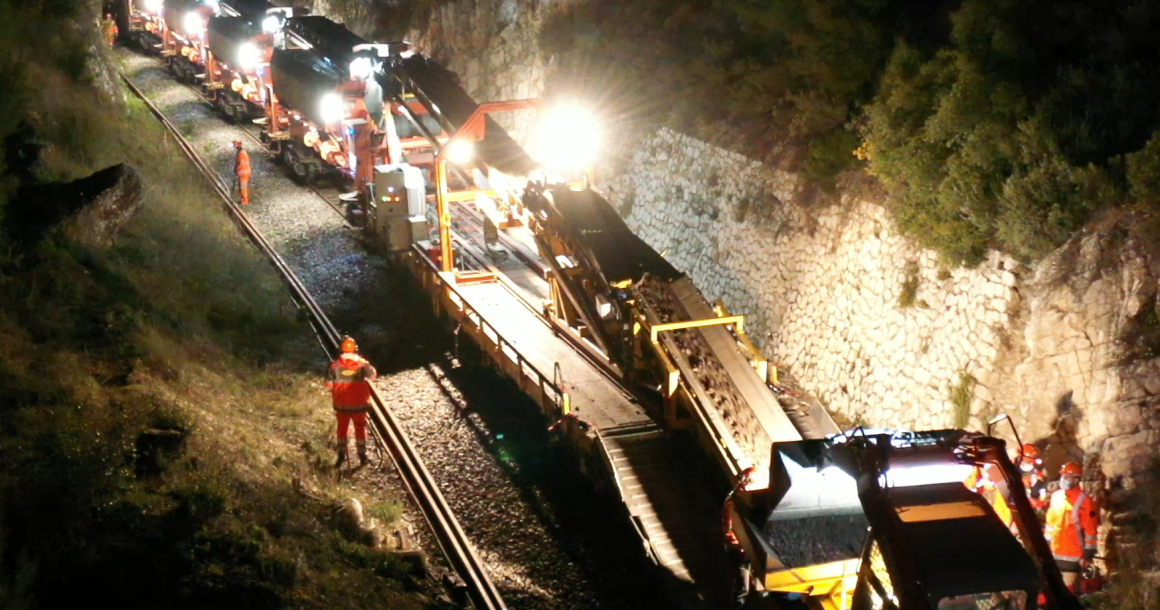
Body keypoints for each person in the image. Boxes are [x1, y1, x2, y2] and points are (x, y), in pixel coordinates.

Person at [1044, 462, 1100, 592]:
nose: (1064, 479)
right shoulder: (1056, 496)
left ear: (1076, 479)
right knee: (1052, 594)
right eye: (1063, 475)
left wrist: (1088, 554)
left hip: (1074, 556)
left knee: (1067, 593)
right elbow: (1050, 525)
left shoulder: (1085, 501)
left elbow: (1091, 530)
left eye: (1068, 477)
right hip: (1054, 554)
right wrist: (1045, 545)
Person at [326, 336, 377, 468]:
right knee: (360, 428)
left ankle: (341, 455)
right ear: (355, 348)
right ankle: (362, 456)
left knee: (342, 428)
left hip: (342, 405)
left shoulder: (334, 365)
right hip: (359, 405)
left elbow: (328, 384)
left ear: (341, 349)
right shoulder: (362, 364)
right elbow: (373, 375)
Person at [1020, 443, 1049, 511]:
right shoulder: (1012, 470)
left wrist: (1039, 501)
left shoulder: (1038, 475)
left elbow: (1043, 493)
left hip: (1032, 508)